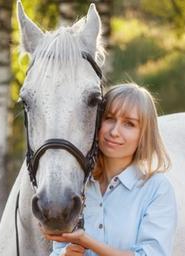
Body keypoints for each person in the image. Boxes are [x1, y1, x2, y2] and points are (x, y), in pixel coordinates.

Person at [43, 83, 177, 256]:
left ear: (144, 134)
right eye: (109, 118)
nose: (114, 131)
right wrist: (66, 254)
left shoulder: (157, 189)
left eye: (129, 124)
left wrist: (86, 242)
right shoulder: (77, 185)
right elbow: (58, 251)